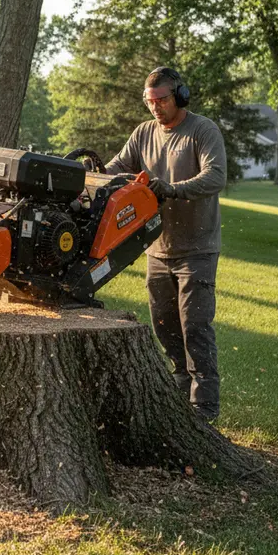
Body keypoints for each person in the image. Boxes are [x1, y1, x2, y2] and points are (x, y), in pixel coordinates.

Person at [104, 67, 227, 420]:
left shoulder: (202, 131)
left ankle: (204, 412)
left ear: (180, 96)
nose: (155, 107)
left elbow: (215, 176)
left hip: (197, 248)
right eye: (149, 101)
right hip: (158, 249)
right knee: (165, 326)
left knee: (195, 328)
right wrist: (92, 174)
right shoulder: (144, 133)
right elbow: (117, 167)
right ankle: (178, 405)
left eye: (161, 99)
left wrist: (173, 190)